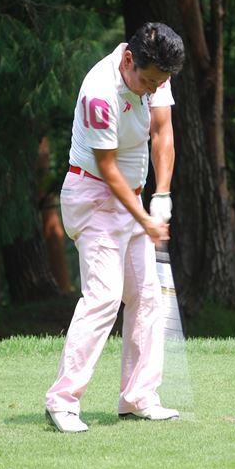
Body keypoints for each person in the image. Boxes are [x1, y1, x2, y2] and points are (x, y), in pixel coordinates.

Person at [44, 22, 185, 433]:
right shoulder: (99, 92)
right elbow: (107, 168)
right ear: (128, 60)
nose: (152, 89)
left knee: (146, 297)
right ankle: (62, 402)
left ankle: (138, 398)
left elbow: (162, 131)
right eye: (147, 81)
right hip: (93, 196)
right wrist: (145, 219)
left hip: (131, 198)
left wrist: (162, 194)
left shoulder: (155, 73)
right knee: (104, 296)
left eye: (159, 83)